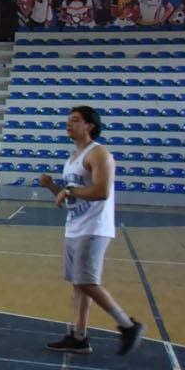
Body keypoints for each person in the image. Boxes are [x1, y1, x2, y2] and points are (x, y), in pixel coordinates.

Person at [38, 106, 144, 356]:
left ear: (90, 126)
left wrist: (70, 191)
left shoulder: (99, 154)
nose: (69, 124)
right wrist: (53, 187)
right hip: (75, 227)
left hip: (94, 228)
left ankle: (128, 325)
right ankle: (79, 336)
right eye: (68, 120)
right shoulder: (74, 156)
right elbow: (68, 199)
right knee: (79, 284)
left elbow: (101, 191)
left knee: (86, 281)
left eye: (75, 120)